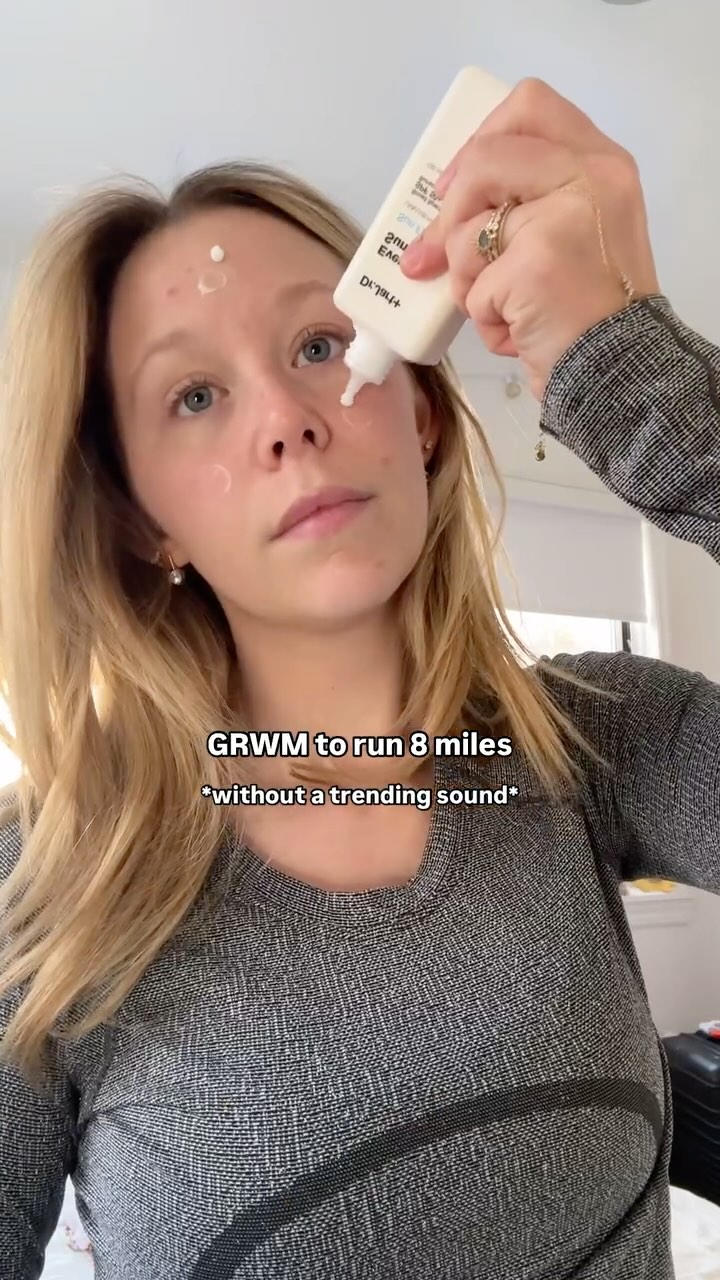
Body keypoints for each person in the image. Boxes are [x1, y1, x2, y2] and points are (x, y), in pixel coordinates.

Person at [0, 75, 717, 1280]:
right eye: (194, 395)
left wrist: (659, 401)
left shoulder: (600, 739)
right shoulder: (37, 897)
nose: (285, 416)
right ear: (141, 518)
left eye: (320, 344)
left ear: (421, 416)